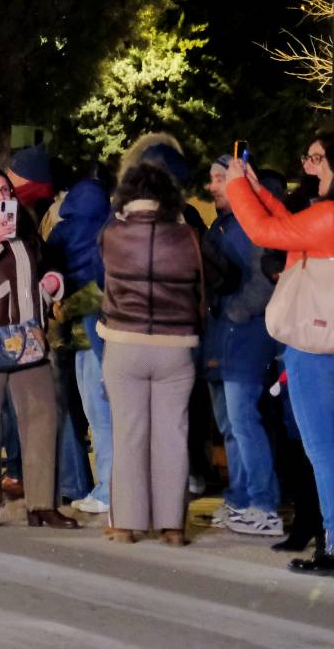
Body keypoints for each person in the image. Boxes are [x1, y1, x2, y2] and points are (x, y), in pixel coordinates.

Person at [223, 134, 334, 575]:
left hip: (314, 345)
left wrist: (236, 186)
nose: (309, 166)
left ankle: (332, 544)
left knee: (322, 450)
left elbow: (267, 233)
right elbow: (292, 227)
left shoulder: (329, 215)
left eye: (318, 158)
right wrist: (257, 190)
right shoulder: (323, 217)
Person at [0, 164, 78, 528]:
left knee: (42, 417)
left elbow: (45, 264)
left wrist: (51, 283)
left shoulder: (25, 227)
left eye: (5, 190)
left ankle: (42, 503)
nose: (1, 197)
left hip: (29, 338)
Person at [98, 161, 207, 545]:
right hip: (175, 347)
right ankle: (173, 526)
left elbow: (100, 273)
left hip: (124, 343)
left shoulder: (112, 234)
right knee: (173, 435)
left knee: (128, 433)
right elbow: (206, 283)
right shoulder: (186, 236)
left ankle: (126, 524)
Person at [201, 154, 285, 538]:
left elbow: (266, 280)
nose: (212, 186)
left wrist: (235, 313)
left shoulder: (252, 223)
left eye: (220, 178)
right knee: (230, 424)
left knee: (244, 421)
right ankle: (239, 498)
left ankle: (264, 505)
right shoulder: (221, 225)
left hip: (246, 336)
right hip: (220, 336)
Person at [46, 176, 115, 515]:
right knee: (108, 415)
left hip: (81, 334)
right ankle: (112, 486)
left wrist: (63, 306)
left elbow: (50, 269)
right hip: (110, 332)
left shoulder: (63, 231)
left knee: (97, 414)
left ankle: (108, 489)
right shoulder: (112, 230)